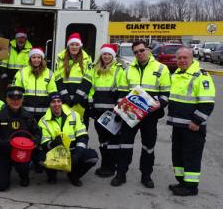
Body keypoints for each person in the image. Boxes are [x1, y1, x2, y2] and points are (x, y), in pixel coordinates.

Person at [111, 40, 171, 188]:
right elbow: (122, 91)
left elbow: (166, 93)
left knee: (148, 146)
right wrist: (120, 106)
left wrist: (160, 104)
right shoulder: (128, 68)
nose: (139, 53)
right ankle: (121, 174)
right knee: (124, 144)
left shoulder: (161, 68)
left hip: (151, 115)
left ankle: (146, 175)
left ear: (148, 50)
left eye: (142, 50)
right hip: (130, 113)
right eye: (136, 52)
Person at [167, 47, 215, 196]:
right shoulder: (177, 74)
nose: (182, 60)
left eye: (185, 58)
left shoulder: (201, 75)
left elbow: (207, 103)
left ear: (192, 58)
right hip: (178, 125)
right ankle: (182, 182)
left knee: (191, 156)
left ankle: (191, 187)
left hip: (192, 126)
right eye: (179, 58)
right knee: (178, 155)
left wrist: (196, 121)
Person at [81, 44, 126, 178]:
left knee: (112, 141)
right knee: (103, 141)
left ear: (113, 56)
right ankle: (106, 165)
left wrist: (119, 110)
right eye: (104, 54)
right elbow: (91, 90)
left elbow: (122, 91)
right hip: (98, 112)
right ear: (101, 55)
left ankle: (110, 167)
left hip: (113, 113)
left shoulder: (119, 70)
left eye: (109, 54)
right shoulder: (95, 69)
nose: (106, 56)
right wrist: (90, 107)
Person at [0, 86, 41, 191]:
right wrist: (2, 143)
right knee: (1, 186)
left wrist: (33, 142)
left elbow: (37, 133)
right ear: (7, 99)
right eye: (12, 98)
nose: (15, 101)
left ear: (22, 99)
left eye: (18, 98)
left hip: (22, 153)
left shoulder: (28, 116)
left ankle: (24, 175)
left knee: (24, 165)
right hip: (3, 151)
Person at [38, 92, 98, 186]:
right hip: (55, 152)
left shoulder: (74, 115)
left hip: (73, 150)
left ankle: (74, 175)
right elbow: (44, 141)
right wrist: (53, 143)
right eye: (53, 102)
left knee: (92, 157)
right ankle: (52, 175)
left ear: (62, 103)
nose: (56, 104)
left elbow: (82, 135)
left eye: (58, 101)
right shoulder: (43, 121)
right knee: (40, 158)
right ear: (49, 104)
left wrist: (78, 152)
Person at [54, 33, 93, 121]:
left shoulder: (87, 59)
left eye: (77, 44)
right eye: (72, 44)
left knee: (81, 127)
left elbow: (88, 79)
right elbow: (57, 78)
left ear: (80, 46)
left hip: (81, 100)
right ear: (68, 46)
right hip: (64, 99)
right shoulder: (60, 58)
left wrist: (78, 97)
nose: (74, 47)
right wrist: (65, 96)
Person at [14, 47, 57, 120]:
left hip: (44, 112)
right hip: (26, 111)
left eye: (38, 57)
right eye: (34, 57)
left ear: (42, 59)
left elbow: (53, 92)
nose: (36, 60)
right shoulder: (22, 72)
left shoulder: (49, 73)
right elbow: (17, 92)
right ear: (30, 58)